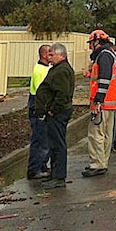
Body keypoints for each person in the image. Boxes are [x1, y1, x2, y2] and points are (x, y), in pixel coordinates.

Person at [84, 29, 116, 177]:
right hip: (111, 102)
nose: (90, 47)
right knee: (107, 133)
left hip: (103, 103)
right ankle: (103, 162)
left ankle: (97, 164)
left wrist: (98, 100)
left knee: (96, 134)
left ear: (97, 42)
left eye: (91, 43)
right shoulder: (112, 55)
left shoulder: (104, 56)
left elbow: (104, 79)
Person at [35, 43, 75, 190]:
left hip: (58, 113)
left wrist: (52, 110)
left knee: (58, 144)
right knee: (53, 144)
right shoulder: (57, 69)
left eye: (52, 55)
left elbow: (62, 94)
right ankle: (55, 173)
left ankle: (59, 176)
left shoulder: (62, 71)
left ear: (61, 55)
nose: (49, 58)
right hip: (54, 112)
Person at [26, 44, 51, 180]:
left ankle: (41, 165)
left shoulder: (43, 68)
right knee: (41, 140)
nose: (52, 55)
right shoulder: (41, 71)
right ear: (44, 55)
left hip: (37, 106)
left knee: (41, 139)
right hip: (38, 108)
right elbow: (43, 93)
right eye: (49, 53)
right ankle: (35, 169)